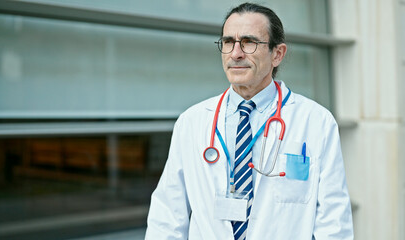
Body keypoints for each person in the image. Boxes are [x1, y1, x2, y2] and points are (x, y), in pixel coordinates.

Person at [145, 3, 353, 240]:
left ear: (277, 54)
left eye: (248, 42)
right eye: (227, 42)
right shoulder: (191, 122)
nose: (235, 54)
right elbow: (168, 216)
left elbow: (334, 222)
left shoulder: (316, 122)